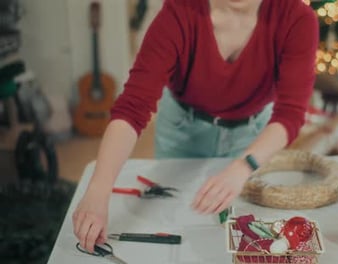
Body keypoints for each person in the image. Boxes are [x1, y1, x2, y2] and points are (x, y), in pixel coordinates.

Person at [72, 0, 318, 253]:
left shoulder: (297, 18)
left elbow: (290, 114)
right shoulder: (179, 12)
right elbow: (132, 107)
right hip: (183, 129)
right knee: (173, 219)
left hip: (254, 137)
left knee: (241, 234)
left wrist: (244, 165)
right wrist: (98, 190)